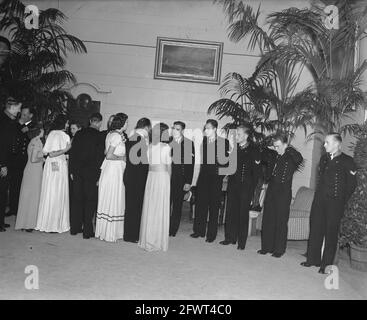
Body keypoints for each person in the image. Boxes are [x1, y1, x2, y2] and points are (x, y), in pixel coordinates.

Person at [301, 133, 357, 274]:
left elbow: (351, 185)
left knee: (331, 234)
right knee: (315, 229)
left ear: (337, 144)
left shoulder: (348, 161)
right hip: (319, 200)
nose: (324, 145)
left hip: (335, 203)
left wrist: (340, 200)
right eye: (325, 142)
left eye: (327, 142)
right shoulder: (324, 158)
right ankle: (312, 259)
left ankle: (326, 265)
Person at [258, 133, 303, 258]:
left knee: (281, 220)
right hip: (272, 188)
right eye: (275, 146)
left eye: (278, 146)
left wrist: (287, 148)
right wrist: (270, 147)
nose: (276, 149)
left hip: (284, 191)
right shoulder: (273, 155)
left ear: (285, 144)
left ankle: (279, 249)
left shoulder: (291, 156)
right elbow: (262, 154)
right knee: (268, 218)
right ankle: (266, 247)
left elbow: (299, 158)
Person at [220, 123, 261, 250]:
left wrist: (251, 190)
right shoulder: (235, 148)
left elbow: (256, 173)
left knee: (242, 214)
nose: (236, 136)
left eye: (238, 134)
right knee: (231, 212)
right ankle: (230, 238)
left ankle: (241, 242)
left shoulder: (254, 150)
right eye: (236, 133)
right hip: (233, 184)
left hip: (245, 186)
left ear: (246, 135)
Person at [191, 119, 230, 243]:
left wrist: (220, 176)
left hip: (215, 178)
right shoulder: (203, 141)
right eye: (205, 128)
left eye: (208, 128)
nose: (205, 130)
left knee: (213, 206)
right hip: (203, 176)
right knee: (200, 204)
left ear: (214, 129)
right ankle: (199, 231)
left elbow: (227, 162)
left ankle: (211, 235)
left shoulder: (224, 142)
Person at [69, 113, 105, 239]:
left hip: (78, 171)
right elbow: (100, 157)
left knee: (77, 199)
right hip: (91, 172)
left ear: (90, 121)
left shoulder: (79, 133)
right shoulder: (100, 136)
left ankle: (75, 228)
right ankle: (87, 231)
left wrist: (71, 171)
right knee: (90, 201)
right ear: (100, 122)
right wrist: (99, 175)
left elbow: (73, 152)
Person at [138, 123, 172, 252]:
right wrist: (169, 180)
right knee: (160, 207)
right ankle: (157, 240)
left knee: (151, 207)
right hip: (161, 177)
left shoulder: (149, 146)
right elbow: (168, 167)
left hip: (151, 177)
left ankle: (148, 237)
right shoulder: (166, 147)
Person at [95, 113, 128, 242]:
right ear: (121, 123)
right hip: (113, 170)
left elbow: (105, 152)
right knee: (114, 196)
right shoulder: (117, 136)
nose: (127, 124)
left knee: (109, 197)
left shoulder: (111, 134)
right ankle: (110, 233)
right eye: (126, 122)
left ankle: (105, 230)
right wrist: (122, 158)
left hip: (110, 168)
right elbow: (108, 155)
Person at [35, 115, 71, 233]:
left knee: (49, 192)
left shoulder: (51, 134)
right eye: (67, 123)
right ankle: (54, 224)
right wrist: (66, 150)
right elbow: (52, 154)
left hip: (50, 166)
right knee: (57, 193)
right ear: (63, 123)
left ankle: (46, 222)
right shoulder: (64, 135)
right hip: (58, 165)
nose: (68, 125)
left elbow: (47, 152)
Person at [123, 118, 151, 243]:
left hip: (129, 176)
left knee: (130, 207)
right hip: (137, 178)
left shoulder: (131, 138)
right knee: (136, 207)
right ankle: (132, 235)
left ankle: (129, 234)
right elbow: (143, 164)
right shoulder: (140, 140)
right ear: (146, 127)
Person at [7, 105, 36, 217]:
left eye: (25, 114)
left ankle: (21, 209)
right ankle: (13, 208)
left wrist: (28, 130)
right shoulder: (16, 125)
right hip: (15, 159)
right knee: (14, 184)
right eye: (21, 114)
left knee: (24, 186)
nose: (22, 116)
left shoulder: (34, 126)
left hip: (27, 160)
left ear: (31, 115)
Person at [15, 127, 45, 231]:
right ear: (38, 132)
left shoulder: (32, 141)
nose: (43, 131)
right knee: (33, 197)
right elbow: (33, 159)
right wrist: (43, 158)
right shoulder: (37, 142)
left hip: (29, 170)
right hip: (34, 171)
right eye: (42, 130)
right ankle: (30, 224)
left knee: (26, 196)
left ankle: (24, 222)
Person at [169, 121, 195, 237]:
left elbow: (191, 165)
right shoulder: (167, 141)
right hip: (167, 178)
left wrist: (188, 182)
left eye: (177, 129)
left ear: (183, 131)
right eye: (174, 128)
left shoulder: (189, 144)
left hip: (181, 179)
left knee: (177, 205)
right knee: (166, 204)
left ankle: (173, 229)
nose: (175, 131)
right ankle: (164, 226)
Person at [0, 97, 22, 231]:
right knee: (1, 192)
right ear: (12, 107)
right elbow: (2, 145)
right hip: (3, 162)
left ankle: (1, 221)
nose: (19, 110)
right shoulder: (4, 121)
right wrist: (2, 164)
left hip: (8, 162)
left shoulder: (10, 120)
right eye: (18, 108)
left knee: (3, 193)